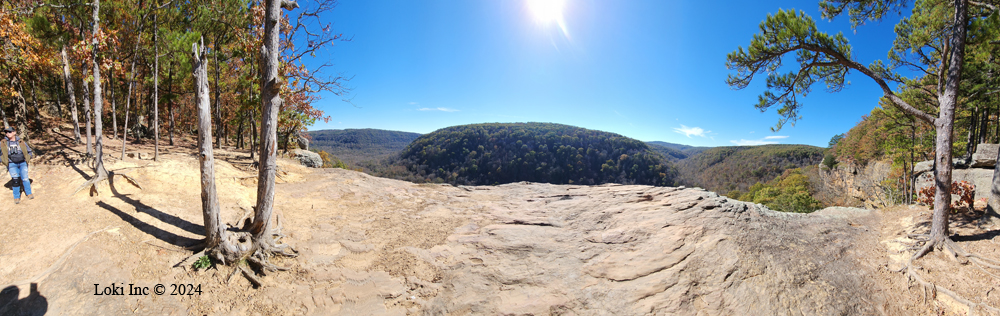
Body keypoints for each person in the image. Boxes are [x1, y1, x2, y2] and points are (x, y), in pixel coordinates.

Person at [1, 127, 33, 204]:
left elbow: (29, 151)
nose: (8, 133)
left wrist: (28, 158)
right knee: (15, 180)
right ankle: (16, 196)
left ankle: (29, 193)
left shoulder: (21, 141)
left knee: (25, 178)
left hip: (23, 163)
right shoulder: (3, 143)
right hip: (12, 164)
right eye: (6, 132)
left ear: (14, 132)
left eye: (10, 132)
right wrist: (4, 160)